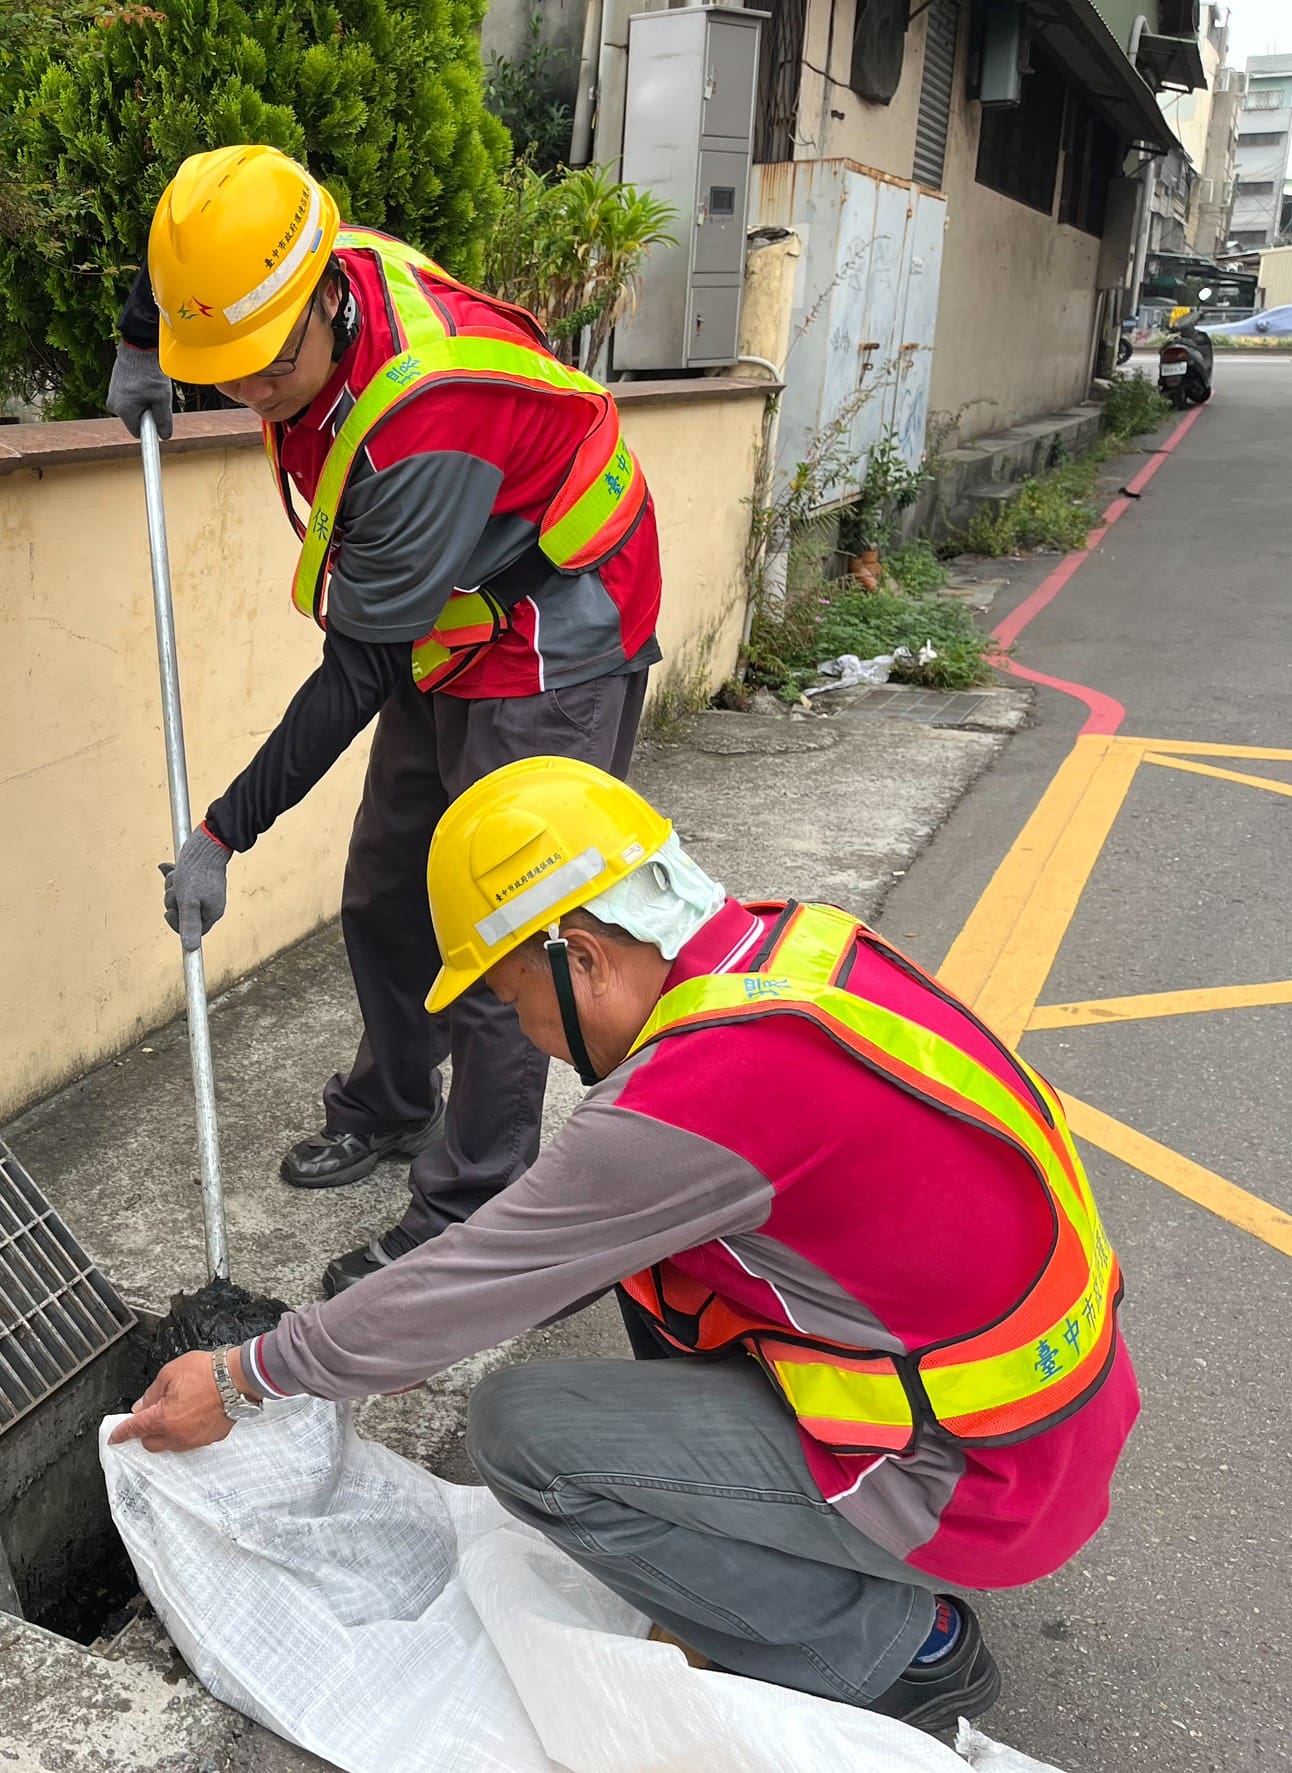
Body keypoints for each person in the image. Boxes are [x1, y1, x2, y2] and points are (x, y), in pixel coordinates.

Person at [113, 757, 1139, 1735]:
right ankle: (840, 1559)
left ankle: (895, 1648)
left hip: (979, 1482)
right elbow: (556, 1259)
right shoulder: (798, 949)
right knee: (653, 1286)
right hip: (1045, 1418)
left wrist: (249, 1374)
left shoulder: (712, 1090)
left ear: (584, 957)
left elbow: (478, 1281)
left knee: (524, 1430)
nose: (532, 1040)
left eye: (516, 1006)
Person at [107, 146, 664, 1296]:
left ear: (322, 295)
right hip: (448, 607)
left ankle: (472, 1209)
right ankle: (394, 1103)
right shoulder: (278, 280)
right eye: (227, 374)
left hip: (555, 623)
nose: (251, 395)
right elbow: (184, 280)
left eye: (268, 370)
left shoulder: (422, 422)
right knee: (388, 885)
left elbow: (356, 676)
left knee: (513, 936)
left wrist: (224, 831)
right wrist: (139, 344)